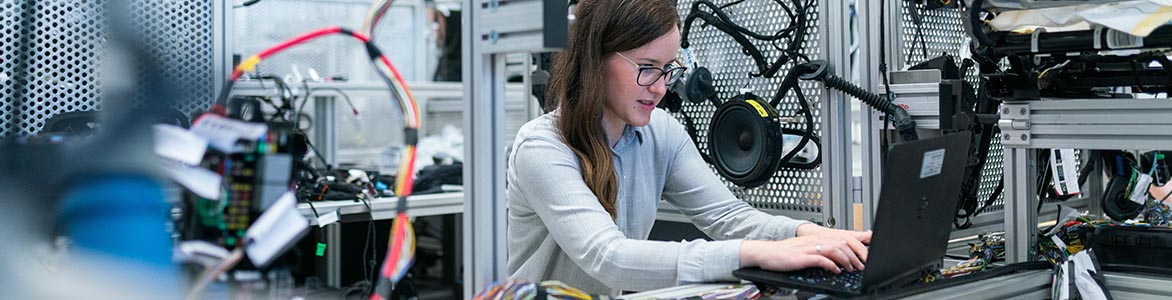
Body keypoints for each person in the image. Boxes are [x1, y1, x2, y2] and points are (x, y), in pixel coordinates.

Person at [505, 0, 871, 295]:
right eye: (647, 68)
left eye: (668, 70)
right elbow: (609, 257)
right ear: (595, 59)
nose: (661, 88)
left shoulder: (660, 133)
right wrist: (758, 253)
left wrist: (808, 235)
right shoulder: (543, 148)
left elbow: (727, 217)